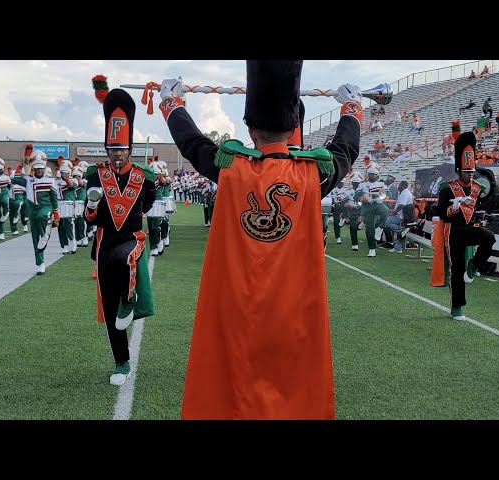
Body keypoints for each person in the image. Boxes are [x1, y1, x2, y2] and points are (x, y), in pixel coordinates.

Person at [157, 60, 361, 419]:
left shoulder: (230, 167)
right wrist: (352, 108)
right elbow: (346, 150)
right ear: (295, 127)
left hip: (240, 309)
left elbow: (192, 144)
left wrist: (171, 103)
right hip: (293, 311)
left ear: (250, 131)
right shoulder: (313, 173)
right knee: (292, 387)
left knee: (237, 385)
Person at [84, 85, 156, 386]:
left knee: (124, 258)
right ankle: (121, 362)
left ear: (130, 149)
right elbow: (92, 219)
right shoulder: (94, 175)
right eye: (112, 149)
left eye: (121, 149)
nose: (116, 154)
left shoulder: (144, 177)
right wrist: (91, 204)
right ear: (107, 149)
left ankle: (131, 298)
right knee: (111, 308)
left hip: (131, 239)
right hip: (105, 243)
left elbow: (147, 205)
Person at [434, 131, 496, 321]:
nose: (470, 175)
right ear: (459, 171)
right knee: (456, 270)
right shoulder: (448, 188)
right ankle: (456, 307)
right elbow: (442, 212)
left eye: (472, 172)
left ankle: (475, 265)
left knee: (489, 237)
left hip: (468, 228)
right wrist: (455, 205)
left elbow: (484, 201)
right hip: (452, 232)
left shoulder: (478, 187)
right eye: (467, 172)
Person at [11, 150, 60, 275]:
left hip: (45, 208)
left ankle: (47, 231)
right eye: (37, 168)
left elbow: (54, 199)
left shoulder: (50, 180)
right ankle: (40, 263)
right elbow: (14, 179)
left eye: (41, 168)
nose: (39, 171)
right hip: (32, 210)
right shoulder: (28, 180)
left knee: (42, 216)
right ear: (34, 168)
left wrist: (56, 215)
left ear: (45, 168)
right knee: (36, 239)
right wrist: (21, 165)